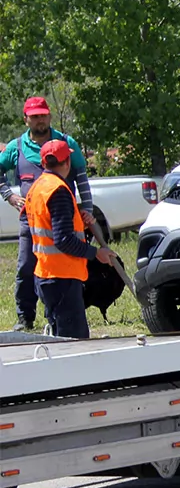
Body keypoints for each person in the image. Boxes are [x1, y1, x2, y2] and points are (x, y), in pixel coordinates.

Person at [1, 97, 95, 331]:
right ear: (26, 119)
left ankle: (60, 314)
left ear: (49, 116)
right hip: (30, 219)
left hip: (61, 216)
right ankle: (25, 317)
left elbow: (81, 177)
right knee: (26, 266)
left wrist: (88, 208)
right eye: (34, 116)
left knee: (64, 265)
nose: (40, 119)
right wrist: (8, 195)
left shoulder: (65, 143)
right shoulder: (17, 147)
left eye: (43, 115)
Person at [23, 139, 116, 339]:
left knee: (60, 339)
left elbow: (45, 225)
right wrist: (95, 253)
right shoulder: (59, 191)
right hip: (61, 277)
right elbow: (63, 239)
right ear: (67, 163)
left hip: (46, 273)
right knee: (73, 343)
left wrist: (78, 220)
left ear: (43, 163)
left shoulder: (37, 188)